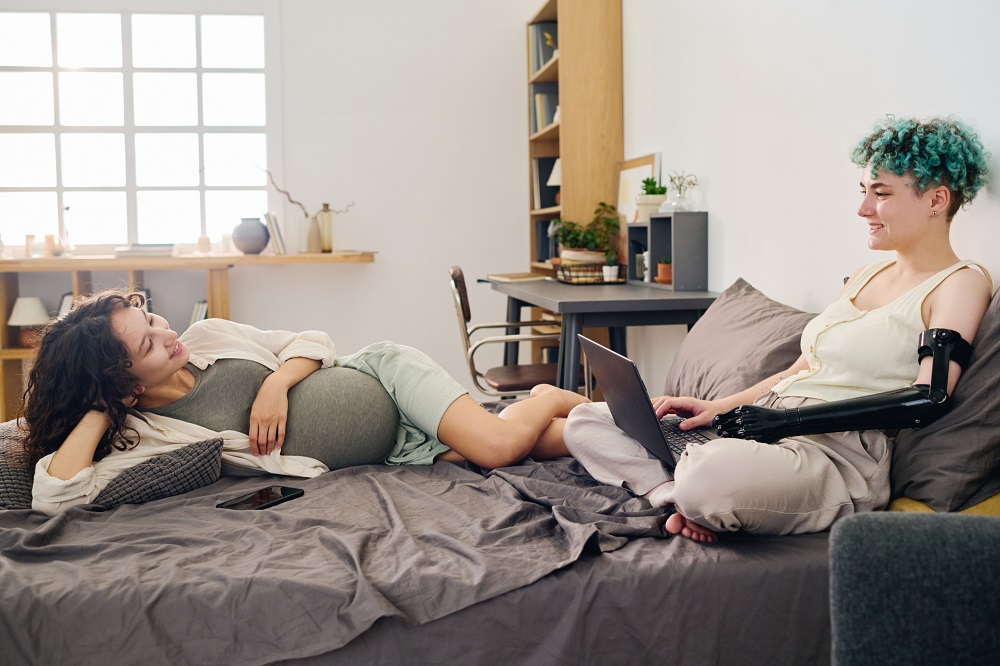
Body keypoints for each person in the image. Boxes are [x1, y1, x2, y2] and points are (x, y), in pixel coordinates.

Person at [562, 116, 993, 542]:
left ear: (937, 200)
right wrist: (716, 408)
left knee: (707, 476)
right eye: (863, 192)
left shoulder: (961, 282)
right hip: (764, 424)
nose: (862, 209)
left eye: (880, 194)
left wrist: (786, 422)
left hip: (832, 453)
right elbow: (799, 370)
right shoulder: (863, 275)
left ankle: (694, 488)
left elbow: (929, 397)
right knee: (585, 420)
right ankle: (670, 494)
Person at [22, 294, 589, 515]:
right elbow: (56, 495)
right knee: (570, 439)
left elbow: (313, 341)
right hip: (401, 452)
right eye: (147, 343)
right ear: (125, 385)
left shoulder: (209, 334)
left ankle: (547, 394)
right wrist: (102, 406)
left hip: (386, 378)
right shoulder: (147, 431)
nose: (165, 332)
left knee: (499, 444)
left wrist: (275, 385)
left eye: (149, 316)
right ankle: (621, 418)